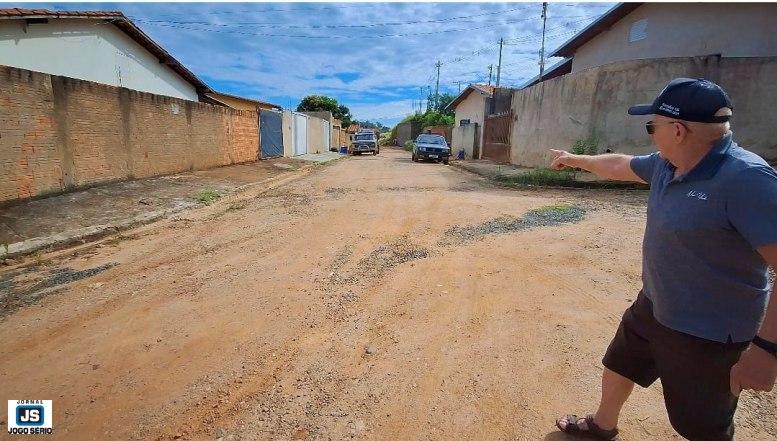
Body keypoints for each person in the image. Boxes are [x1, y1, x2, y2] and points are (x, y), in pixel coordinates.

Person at [549, 78, 777, 440]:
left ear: (678, 131)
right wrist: (574, 159)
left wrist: (766, 350)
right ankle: (602, 425)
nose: (651, 134)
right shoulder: (666, 164)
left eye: (651, 126)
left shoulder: (747, 180)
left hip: (707, 334)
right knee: (620, 364)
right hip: (654, 304)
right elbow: (620, 165)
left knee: (700, 426)